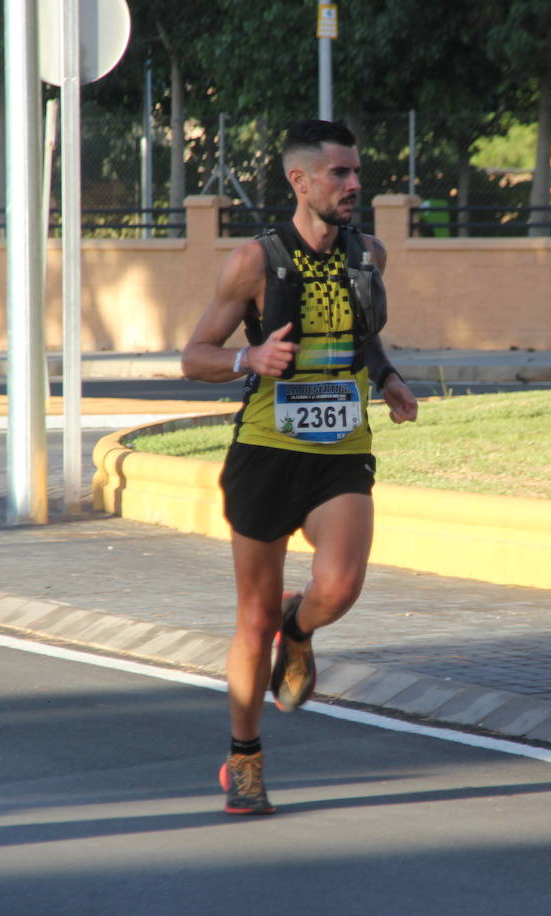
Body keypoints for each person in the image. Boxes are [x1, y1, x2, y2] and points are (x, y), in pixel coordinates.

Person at [181, 120, 418, 815]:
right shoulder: (253, 262)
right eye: (339, 174)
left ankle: (303, 627)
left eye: (356, 173)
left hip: (340, 450)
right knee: (251, 619)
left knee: (339, 585)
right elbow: (193, 355)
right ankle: (244, 757)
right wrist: (245, 360)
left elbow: (361, 334)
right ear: (300, 182)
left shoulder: (367, 254)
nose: (353, 185)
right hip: (264, 453)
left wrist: (389, 378)